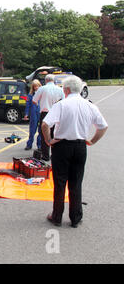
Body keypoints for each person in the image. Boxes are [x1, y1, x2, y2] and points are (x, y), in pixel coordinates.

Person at [42, 75, 108, 228]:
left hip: (61, 146)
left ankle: (57, 216)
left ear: (66, 89)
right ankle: (75, 217)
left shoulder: (61, 105)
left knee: (60, 182)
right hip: (80, 146)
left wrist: (48, 140)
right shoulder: (90, 105)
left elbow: (45, 125)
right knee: (76, 182)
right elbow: (103, 126)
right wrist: (92, 141)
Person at [32, 74, 65, 161]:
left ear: (45, 80)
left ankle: (46, 156)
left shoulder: (42, 89)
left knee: (44, 135)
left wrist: (42, 103)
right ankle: (55, 154)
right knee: (55, 134)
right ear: (53, 80)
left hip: (45, 113)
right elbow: (64, 101)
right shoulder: (60, 89)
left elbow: (34, 101)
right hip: (57, 113)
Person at [23, 79, 42, 151]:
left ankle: (39, 145)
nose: (36, 88)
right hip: (33, 113)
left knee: (41, 130)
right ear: (33, 87)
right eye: (35, 86)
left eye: (37, 86)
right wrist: (26, 114)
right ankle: (29, 144)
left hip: (40, 112)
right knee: (32, 130)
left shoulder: (42, 94)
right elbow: (28, 105)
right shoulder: (30, 95)